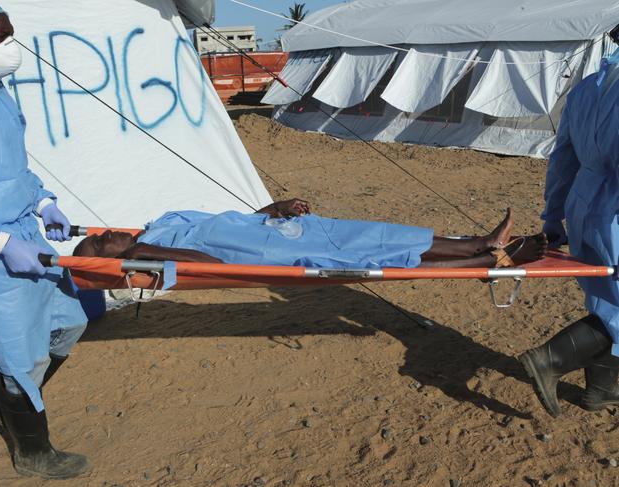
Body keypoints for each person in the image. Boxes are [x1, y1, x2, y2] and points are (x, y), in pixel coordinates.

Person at [0, 2, 90, 479]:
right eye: (0, 39)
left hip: (25, 233)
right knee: (20, 355)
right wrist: (0, 244)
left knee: (68, 323)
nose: (11, 48)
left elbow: (10, 169)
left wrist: (43, 204)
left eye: (10, 36)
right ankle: (34, 453)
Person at [518, 47, 619, 417]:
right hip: (613, 213)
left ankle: (600, 389)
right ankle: (550, 359)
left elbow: (563, 157)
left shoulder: (586, 88)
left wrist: (553, 215)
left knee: (606, 299)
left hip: (582, 205)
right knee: (616, 305)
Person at [73, 199, 547, 270]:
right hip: (277, 250)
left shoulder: (165, 218)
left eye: (101, 235)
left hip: (276, 226)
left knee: (378, 231)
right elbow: (215, 264)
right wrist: (136, 253)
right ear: (110, 258)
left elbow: (234, 217)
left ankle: (480, 245)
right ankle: (481, 257)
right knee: (371, 252)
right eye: (100, 242)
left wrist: (273, 208)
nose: (107, 233)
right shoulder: (149, 250)